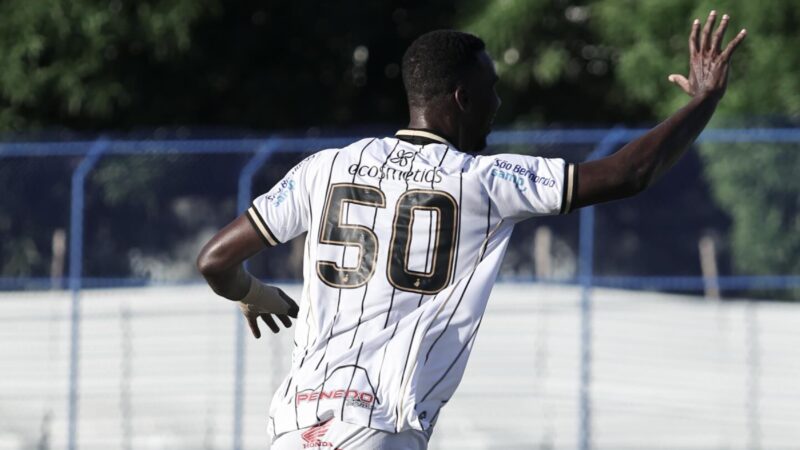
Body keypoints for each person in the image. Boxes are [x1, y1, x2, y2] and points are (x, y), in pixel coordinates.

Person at [197, 11, 745, 449]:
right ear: (462, 97)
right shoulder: (485, 180)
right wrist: (704, 101)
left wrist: (253, 293)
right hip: (377, 424)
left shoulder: (325, 168)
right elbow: (629, 173)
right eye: (492, 89)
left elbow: (214, 261)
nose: (498, 103)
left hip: (293, 423)